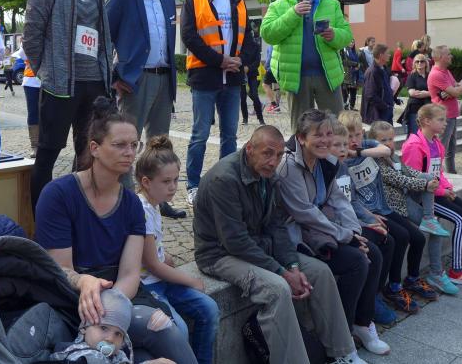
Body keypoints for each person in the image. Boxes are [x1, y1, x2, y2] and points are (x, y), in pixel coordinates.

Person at [35, 97, 197, 364]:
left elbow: (131, 273)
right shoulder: (58, 195)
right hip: (72, 298)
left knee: (164, 331)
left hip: (121, 294)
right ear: (95, 148)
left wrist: (112, 309)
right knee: (158, 337)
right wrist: (84, 282)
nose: (130, 152)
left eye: (134, 145)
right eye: (120, 145)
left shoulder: (132, 203)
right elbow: (60, 269)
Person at [193, 125, 367, 364]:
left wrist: (292, 265)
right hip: (219, 254)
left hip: (257, 244)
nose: (273, 161)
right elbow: (235, 242)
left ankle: (341, 352)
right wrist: (282, 272)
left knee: (320, 272)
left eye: (278, 155)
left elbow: (277, 227)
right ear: (249, 149)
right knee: (278, 289)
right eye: (267, 153)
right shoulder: (224, 179)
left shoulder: (269, 176)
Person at [276, 109, 391, 356]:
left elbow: (339, 200)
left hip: (321, 230)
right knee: (356, 262)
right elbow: (304, 213)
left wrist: (354, 232)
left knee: (373, 252)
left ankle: (362, 323)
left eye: (329, 134)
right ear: (301, 138)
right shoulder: (288, 168)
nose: (325, 140)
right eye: (318, 135)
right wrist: (347, 237)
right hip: (297, 237)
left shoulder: (326, 162)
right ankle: (343, 339)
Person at [24, 0, 113, 213]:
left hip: (94, 84)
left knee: (89, 155)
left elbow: (102, 38)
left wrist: (106, 76)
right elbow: (32, 37)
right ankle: (43, 223)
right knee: (47, 154)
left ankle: (80, 216)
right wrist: (47, 72)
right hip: (60, 86)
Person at [107, 0, 183, 219]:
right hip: (135, 81)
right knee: (128, 143)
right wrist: (115, 76)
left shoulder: (167, 1)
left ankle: (158, 201)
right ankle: (127, 203)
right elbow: (105, 36)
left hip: (164, 77)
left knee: (160, 144)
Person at [181, 0, 256, 207]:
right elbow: (189, 37)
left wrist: (240, 61)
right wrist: (219, 61)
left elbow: (249, 39)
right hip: (205, 77)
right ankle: (193, 185)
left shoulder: (239, 1)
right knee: (200, 134)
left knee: (229, 136)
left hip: (232, 79)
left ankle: (226, 184)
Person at [135, 136, 219, 364]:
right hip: (147, 286)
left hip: (160, 280)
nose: (173, 186)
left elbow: (155, 253)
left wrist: (166, 257)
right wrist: (190, 280)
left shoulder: (153, 205)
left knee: (209, 309)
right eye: (166, 181)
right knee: (178, 328)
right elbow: (152, 265)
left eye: (175, 180)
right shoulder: (141, 209)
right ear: (146, 182)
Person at [338, 112, 421, 315]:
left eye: (357, 134)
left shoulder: (365, 147)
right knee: (395, 238)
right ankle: (383, 291)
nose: (354, 140)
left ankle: (395, 285)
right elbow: (349, 199)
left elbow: (385, 150)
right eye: (349, 136)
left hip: (382, 208)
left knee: (415, 237)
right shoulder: (341, 161)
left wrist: (358, 153)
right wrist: (368, 216)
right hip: (366, 212)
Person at [401, 104, 462, 289]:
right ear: (427, 121)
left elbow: (438, 173)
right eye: (441, 119)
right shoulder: (414, 145)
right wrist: (442, 191)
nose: (446, 123)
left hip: (437, 192)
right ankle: (456, 270)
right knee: (461, 219)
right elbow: (413, 180)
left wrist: (447, 187)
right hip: (422, 197)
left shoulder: (436, 143)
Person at [260, 0, 352, 131]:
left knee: (335, 127)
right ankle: (301, 149)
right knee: (301, 129)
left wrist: (334, 35)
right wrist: (293, 13)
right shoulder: (278, 5)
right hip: (295, 77)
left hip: (328, 75)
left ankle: (333, 149)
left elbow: (347, 36)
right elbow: (267, 34)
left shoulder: (331, 4)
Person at [369, 121, 449, 238]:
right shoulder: (375, 162)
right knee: (425, 236)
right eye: (383, 140)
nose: (388, 143)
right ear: (372, 142)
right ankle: (429, 220)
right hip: (396, 204)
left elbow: (408, 171)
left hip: (406, 196)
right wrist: (425, 185)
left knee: (427, 176)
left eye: (390, 139)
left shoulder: (393, 156)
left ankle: (429, 218)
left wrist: (429, 180)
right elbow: (398, 179)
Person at [427, 45, 462, 173]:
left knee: (451, 148)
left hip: (451, 115)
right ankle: (436, 175)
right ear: (440, 57)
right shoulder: (437, 74)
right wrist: (455, 90)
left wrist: (455, 90)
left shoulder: (446, 72)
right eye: (448, 54)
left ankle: (451, 173)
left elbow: (458, 86)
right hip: (443, 117)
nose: (451, 56)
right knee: (441, 148)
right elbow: (457, 91)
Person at [15, 46, 41, 157]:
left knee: (47, 113)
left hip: (49, 79)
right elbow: (22, 54)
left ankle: (45, 144)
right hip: (31, 80)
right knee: (33, 113)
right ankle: (35, 145)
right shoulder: (30, 36)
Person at [361, 43, 394, 124]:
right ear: (381, 55)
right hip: (377, 114)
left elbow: (385, 88)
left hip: (386, 112)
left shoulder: (383, 69)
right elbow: (370, 95)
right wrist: (385, 106)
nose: (389, 55)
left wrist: (393, 100)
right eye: (387, 53)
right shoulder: (373, 72)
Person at [401, 53, 431, 137]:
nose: (419, 63)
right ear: (414, 63)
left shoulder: (429, 75)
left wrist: (426, 93)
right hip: (415, 109)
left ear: (426, 63)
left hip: (428, 109)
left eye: (422, 61)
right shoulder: (412, 76)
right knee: (414, 135)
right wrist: (429, 93)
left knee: (425, 135)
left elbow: (436, 91)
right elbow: (412, 93)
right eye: (417, 61)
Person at [240, 29, 265, 125]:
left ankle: (260, 118)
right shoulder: (240, 46)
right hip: (241, 73)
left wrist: (248, 68)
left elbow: (257, 62)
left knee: (254, 94)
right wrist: (242, 67)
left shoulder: (256, 46)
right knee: (243, 97)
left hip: (253, 73)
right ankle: (245, 118)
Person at [341, 40, 360, 110]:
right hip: (346, 74)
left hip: (354, 75)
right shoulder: (343, 51)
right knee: (345, 92)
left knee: (353, 92)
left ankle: (352, 106)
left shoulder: (355, 52)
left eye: (353, 42)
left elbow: (358, 62)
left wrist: (358, 66)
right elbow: (344, 61)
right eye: (350, 42)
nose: (351, 43)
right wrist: (355, 64)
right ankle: (345, 105)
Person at [262, 44, 281, 113]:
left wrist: (265, 66)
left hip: (271, 68)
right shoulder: (278, 43)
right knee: (276, 86)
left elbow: (270, 56)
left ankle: (274, 105)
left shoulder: (271, 44)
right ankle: (277, 106)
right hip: (278, 67)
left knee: (265, 85)